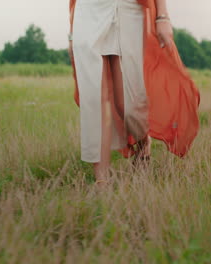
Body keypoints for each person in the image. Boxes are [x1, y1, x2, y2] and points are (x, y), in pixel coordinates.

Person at [68, 0, 201, 187]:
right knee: (94, 94)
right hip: (89, 8)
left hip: (128, 7)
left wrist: (162, 16)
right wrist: (72, 32)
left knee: (128, 104)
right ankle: (101, 181)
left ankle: (142, 142)